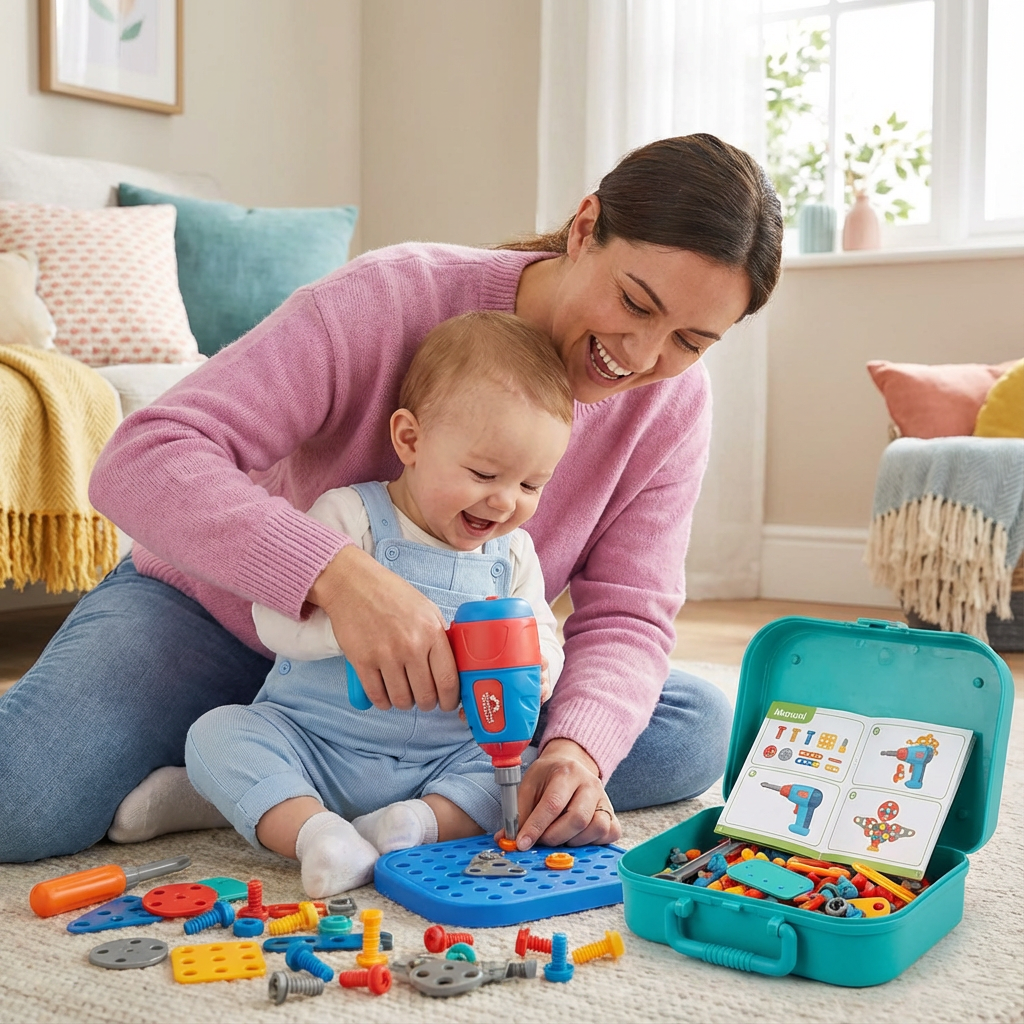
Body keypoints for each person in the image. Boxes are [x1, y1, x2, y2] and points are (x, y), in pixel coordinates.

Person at [0, 133, 783, 864]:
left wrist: (577, 750)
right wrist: (340, 579)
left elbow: (628, 613)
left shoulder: (672, 409)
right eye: (638, 304)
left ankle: (272, 785)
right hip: (221, 621)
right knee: (22, 803)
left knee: (691, 727)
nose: (643, 357)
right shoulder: (395, 295)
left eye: (691, 341)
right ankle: (258, 759)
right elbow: (144, 456)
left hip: (438, 703)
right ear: (585, 228)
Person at [186, 311, 571, 896]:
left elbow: (541, 624)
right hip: (316, 741)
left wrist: (540, 663)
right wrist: (353, 629)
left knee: (515, 774)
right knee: (217, 733)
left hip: (444, 762)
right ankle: (318, 835)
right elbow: (272, 620)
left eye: (530, 485)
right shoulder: (351, 516)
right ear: (410, 440)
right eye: (485, 473)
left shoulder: (512, 552)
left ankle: (411, 825)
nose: (503, 502)